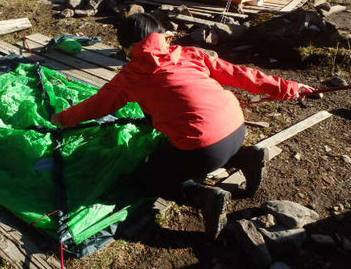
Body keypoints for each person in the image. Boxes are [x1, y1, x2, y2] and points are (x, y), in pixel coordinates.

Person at [51, 13, 314, 240]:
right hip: (236, 126)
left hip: (205, 147)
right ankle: (248, 156)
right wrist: (289, 87)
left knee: (148, 178)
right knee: (201, 145)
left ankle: (205, 198)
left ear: (127, 47)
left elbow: (95, 106)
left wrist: (60, 120)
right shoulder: (189, 54)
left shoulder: (131, 76)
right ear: (160, 35)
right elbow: (241, 74)